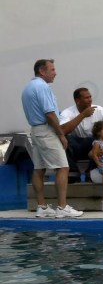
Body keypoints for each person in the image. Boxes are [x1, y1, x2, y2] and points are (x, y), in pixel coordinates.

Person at [20, 59, 83, 218]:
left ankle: (41, 207)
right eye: (52, 69)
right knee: (62, 168)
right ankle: (62, 207)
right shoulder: (42, 87)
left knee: (39, 169)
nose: (55, 73)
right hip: (46, 131)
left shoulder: (28, 88)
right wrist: (61, 134)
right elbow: (50, 113)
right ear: (42, 71)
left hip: (35, 131)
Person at [59, 87, 103, 182]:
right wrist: (83, 115)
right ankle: (73, 173)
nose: (90, 100)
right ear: (77, 100)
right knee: (63, 139)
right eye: (86, 98)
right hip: (75, 145)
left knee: (100, 140)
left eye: (90, 97)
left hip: (93, 145)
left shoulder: (99, 110)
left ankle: (90, 172)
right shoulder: (67, 113)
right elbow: (62, 131)